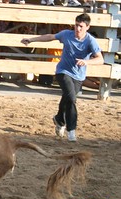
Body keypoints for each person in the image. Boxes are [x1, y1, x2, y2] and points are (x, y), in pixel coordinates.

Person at [21, 13, 104, 142]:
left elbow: (100, 59)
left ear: (87, 27)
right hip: (63, 71)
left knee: (68, 98)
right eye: (76, 25)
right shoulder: (66, 34)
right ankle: (71, 130)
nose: (78, 29)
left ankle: (59, 119)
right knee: (71, 98)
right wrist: (32, 39)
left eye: (81, 26)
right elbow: (50, 37)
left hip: (79, 76)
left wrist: (86, 62)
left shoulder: (90, 41)